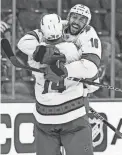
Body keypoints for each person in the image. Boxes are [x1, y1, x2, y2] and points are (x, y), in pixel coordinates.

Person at [17, 4, 101, 155]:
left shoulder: (88, 34)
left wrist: (42, 53)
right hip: (73, 109)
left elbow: (23, 43)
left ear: (87, 22)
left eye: (82, 19)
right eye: (74, 17)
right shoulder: (69, 45)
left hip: (45, 113)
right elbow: (90, 69)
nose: (77, 21)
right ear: (68, 17)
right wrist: (59, 61)